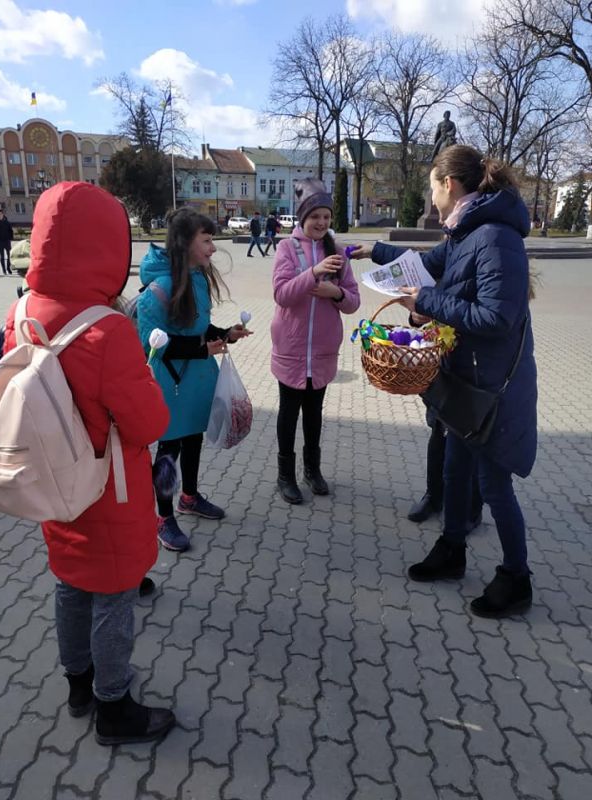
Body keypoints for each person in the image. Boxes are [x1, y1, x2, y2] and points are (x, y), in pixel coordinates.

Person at [2, 182, 176, 744]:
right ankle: (114, 707)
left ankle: (78, 685)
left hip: (51, 478)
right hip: (108, 490)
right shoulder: (107, 329)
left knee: (70, 584)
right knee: (114, 598)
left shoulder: (20, 310)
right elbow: (148, 425)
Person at [351, 145, 537, 618]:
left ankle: (517, 578)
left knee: (494, 486)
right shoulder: (466, 231)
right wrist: (373, 251)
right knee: (454, 470)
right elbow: (428, 266)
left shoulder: (495, 237)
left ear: (448, 185)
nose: (431, 196)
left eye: (432, 186)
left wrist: (428, 302)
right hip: (465, 381)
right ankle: (452, 549)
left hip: (491, 389)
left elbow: (496, 317)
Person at [137, 209, 252, 552]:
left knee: (193, 440)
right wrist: (201, 349)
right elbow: (152, 344)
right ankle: (163, 516)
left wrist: (225, 333)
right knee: (169, 450)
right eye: (207, 240)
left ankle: (189, 497)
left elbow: (196, 327)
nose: (213, 247)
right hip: (171, 382)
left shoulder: (197, 278)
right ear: (185, 242)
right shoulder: (159, 288)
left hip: (196, 379)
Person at [272, 178, 360, 503]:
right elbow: (282, 294)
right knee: (288, 414)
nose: (321, 222)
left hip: (322, 350)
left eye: (326, 216)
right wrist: (312, 273)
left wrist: (335, 292)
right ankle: (285, 475)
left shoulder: (337, 252)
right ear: (302, 218)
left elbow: (353, 302)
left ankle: (312, 470)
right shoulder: (286, 248)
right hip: (292, 349)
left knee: (314, 413)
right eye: (314, 217)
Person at [0, 208, 14, 275]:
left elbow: (10, 230)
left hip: (7, 241)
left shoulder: (6, 222)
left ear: (2, 214)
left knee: (9, 255)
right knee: (2, 256)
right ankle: (4, 270)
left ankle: (8, 268)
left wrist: (10, 238)